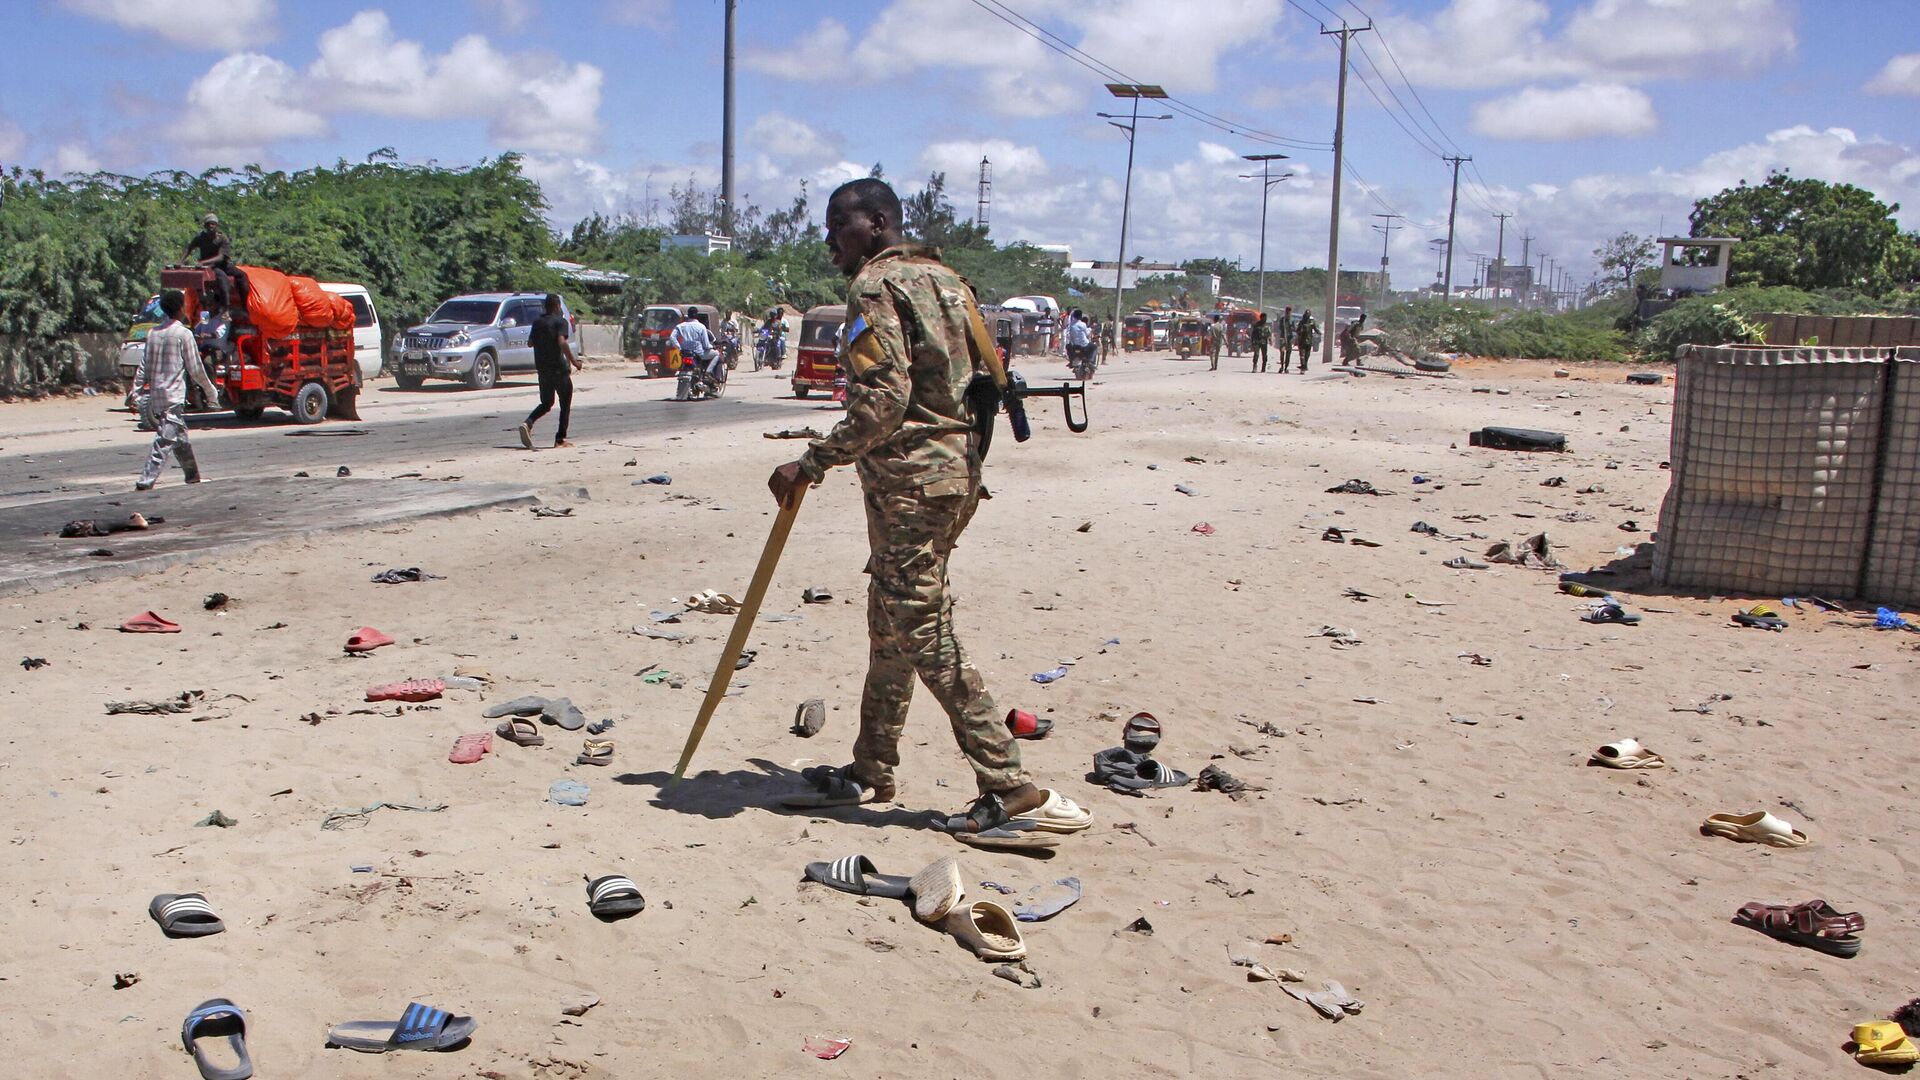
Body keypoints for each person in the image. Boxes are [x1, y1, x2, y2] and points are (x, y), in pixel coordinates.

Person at [768, 177, 1085, 843]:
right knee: (891, 622)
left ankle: (1006, 782)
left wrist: (812, 462)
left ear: (878, 222)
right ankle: (871, 768)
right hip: (953, 475)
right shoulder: (947, 279)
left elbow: (883, 401)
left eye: (839, 227)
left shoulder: (875, 287)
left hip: (910, 483)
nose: (830, 242)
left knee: (924, 633)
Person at [134, 289, 217, 491]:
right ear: (182, 308)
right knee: (164, 440)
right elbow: (196, 369)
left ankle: (192, 476)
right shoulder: (183, 334)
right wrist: (211, 392)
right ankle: (145, 482)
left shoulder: (153, 333)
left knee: (180, 439)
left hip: (157, 394)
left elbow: (144, 365)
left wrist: (134, 391)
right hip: (173, 396)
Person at [517, 294, 581, 449]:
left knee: (546, 403)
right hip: (559, 368)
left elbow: (530, 343)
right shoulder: (561, 322)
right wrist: (574, 361)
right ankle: (560, 439)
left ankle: (528, 423)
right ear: (558, 306)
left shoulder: (537, 323)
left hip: (543, 369)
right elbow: (562, 342)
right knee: (565, 403)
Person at [182, 213, 236, 315]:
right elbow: (189, 248)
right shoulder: (201, 237)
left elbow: (220, 257)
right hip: (206, 268)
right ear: (205, 226)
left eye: (213, 224)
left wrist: (203, 262)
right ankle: (204, 305)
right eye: (208, 224)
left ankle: (227, 306)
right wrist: (180, 262)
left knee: (227, 277)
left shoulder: (222, 238)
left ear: (217, 225)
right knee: (197, 280)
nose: (211, 226)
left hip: (219, 265)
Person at [1275, 306, 1294, 372]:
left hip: (1289, 339)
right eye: (1287, 311)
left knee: (1288, 353)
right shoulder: (1282, 320)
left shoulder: (1292, 320)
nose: (1288, 313)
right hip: (1283, 338)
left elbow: (1294, 329)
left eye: (1289, 312)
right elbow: (1279, 328)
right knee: (1282, 352)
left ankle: (1286, 367)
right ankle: (1282, 366)